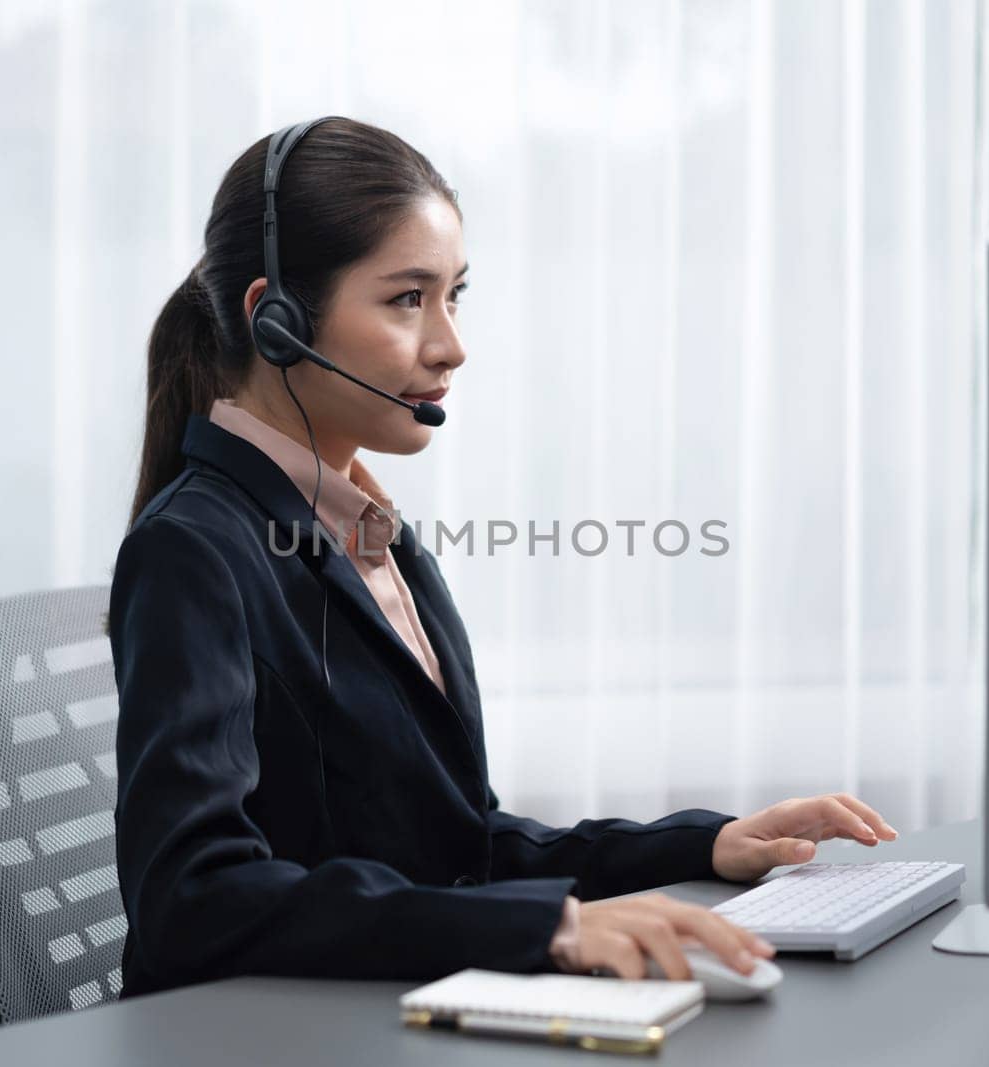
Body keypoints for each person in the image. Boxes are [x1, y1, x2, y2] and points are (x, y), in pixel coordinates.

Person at [107, 116, 898, 1001]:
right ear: (278, 321)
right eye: (408, 298)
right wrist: (549, 928)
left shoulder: (371, 532)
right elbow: (192, 899)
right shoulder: (195, 550)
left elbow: (459, 843)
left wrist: (700, 845)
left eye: (455, 296)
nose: (450, 344)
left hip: (384, 1012)